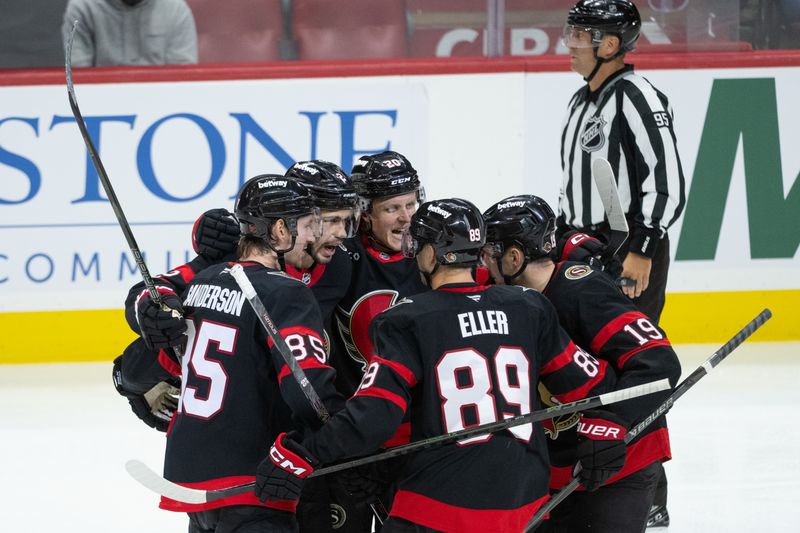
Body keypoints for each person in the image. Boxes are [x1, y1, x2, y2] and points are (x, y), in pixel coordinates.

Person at [252, 198, 623, 533]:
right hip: (524, 505)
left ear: (431, 255)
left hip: (438, 507)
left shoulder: (408, 319)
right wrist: (607, 429)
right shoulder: (528, 306)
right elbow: (593, 387)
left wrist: (303, 452)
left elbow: (373, 415)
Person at [126, 175, 344, 533]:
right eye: (307, 226)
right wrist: (348, 436)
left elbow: (170, 357)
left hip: (195, 483)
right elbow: (310, 392)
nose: (314, 236)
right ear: (279, 230)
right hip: (252, 483)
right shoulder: (285, 292)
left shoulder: (203, 282)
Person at [482, 194, 681, 532]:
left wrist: (613, 423)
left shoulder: (582, 291)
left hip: (621, 463)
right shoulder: (509, 298)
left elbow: (659, 364)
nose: (481, 264)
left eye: (488, 254)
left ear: (514, 257)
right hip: (557, 466)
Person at [558, 2, 686, 521]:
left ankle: (648, 489)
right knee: (591, 366)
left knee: (635, 369)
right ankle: (601, 477)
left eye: (580, 33)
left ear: (609, 44)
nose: (569, 41)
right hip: (585, 248)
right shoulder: (580, 100)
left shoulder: (638, 95)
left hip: (628, 248)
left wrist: (643, 248)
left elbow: (668, 180)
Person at [62, 0, 197, 67]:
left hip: (163, 105)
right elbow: (78, 77)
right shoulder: (82, 8)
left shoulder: (176, 9)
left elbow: (182, 77)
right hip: (98, 107)